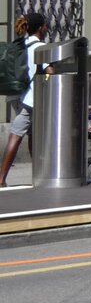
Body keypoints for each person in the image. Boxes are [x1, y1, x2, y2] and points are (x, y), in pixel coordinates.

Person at [0, 12, 50, 187]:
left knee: (32, 136)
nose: (47, 28)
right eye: (45, 25)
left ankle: (39, 174)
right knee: (16, 135)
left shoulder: (22, 44)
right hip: (31, 99)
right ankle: (0, 179)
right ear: (40, 27)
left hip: (18, 95)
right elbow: (50, 72)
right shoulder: (40, 47)